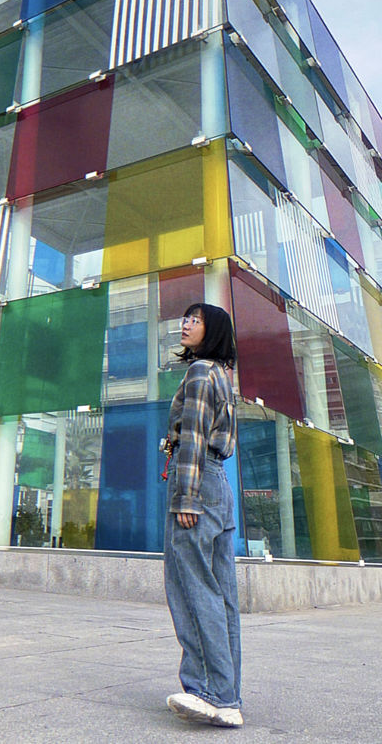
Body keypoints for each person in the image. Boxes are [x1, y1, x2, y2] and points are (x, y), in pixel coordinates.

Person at [163, 302, 243, 728]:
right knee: (222, 595)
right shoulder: (222, 376)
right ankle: (228, 697)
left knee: (192, 589)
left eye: (195, 320)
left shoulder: (198, 373)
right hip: (219, 485)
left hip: (196, 481)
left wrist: (186, 498)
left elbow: (192, 437)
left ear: (212, 331)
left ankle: (206, 691)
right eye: (185, 318)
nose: (185, 324)